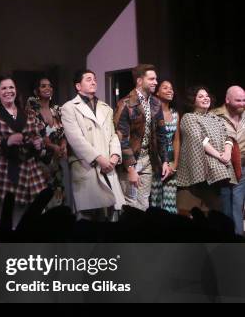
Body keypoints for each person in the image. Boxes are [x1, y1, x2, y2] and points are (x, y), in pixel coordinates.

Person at [0, 76, 47, 229]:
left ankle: (20, 251)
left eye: (11, 87)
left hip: (27, 170)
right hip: (2, 171)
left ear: (16, 91)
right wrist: (6, 142)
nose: (8, 91)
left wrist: (38, 143)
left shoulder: (28, 113)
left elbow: (36, 135)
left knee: (23, 220)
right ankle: (1, 251)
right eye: (4, 88)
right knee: (2, 220)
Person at [61, 69, 125, 221]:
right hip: (87, 166)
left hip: (108, 166)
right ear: (78, 86)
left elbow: (113, 135)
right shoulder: (69, 107)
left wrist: (115, 156)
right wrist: (99, 159)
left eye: (94, 79)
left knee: (109, 214)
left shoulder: (106, 108)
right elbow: (76, 139)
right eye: (88, 79)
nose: (93, 81)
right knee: (88, 218)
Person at [114, 64, 170, 211]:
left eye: (156, 79)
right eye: (151, 79)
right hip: (131, 159)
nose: (155, 82)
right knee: (130, 204)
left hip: (147, 159)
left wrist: (164, 160)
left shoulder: (155, 102)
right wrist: (130, 168)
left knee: (144, 203)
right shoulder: (125, 104)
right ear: (139, 81)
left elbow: (161, 134)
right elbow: (121, 138)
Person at [175, 86, 237, 213]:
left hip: (223, 167)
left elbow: (228, 136)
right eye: (200, 96)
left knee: (224, 207)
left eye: (207, 96)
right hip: (206, 168)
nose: (205, 98)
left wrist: (227, 152)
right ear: (193, 100)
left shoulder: (216, 118)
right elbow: (199, 139)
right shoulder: (189, 117)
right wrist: (219, 156)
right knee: (209, 208)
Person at [25, 75, 70, 208]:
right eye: (43, 86)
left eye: (50, 85)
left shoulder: (56, 110)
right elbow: (33, 134)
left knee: (57, 201)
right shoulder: (31, 111)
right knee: (39, 202)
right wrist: (51, 146)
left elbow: (63, 133)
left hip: (56, 164)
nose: (48, 88)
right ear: (36, 91)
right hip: (38, 162)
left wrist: (63, 145)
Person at [212, 86, 245, 234]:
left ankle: (238, 239)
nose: (242, 103)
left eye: (244, 100)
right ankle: (225, 238)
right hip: (223, 167)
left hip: (242, 166)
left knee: (238, 204)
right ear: (227, 100)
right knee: (225, 203)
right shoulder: (215, 116)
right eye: (238, 100)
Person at [150, 80, 180, 214]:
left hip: (171, 161)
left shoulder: (175, 114)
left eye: (172, 88)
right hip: (154, 162)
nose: (170, 90)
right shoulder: (151, 113)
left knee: (169, 201)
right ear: (157, 92)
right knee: (155, 200)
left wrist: (175, 164)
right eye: (165, 88)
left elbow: (176, 140)